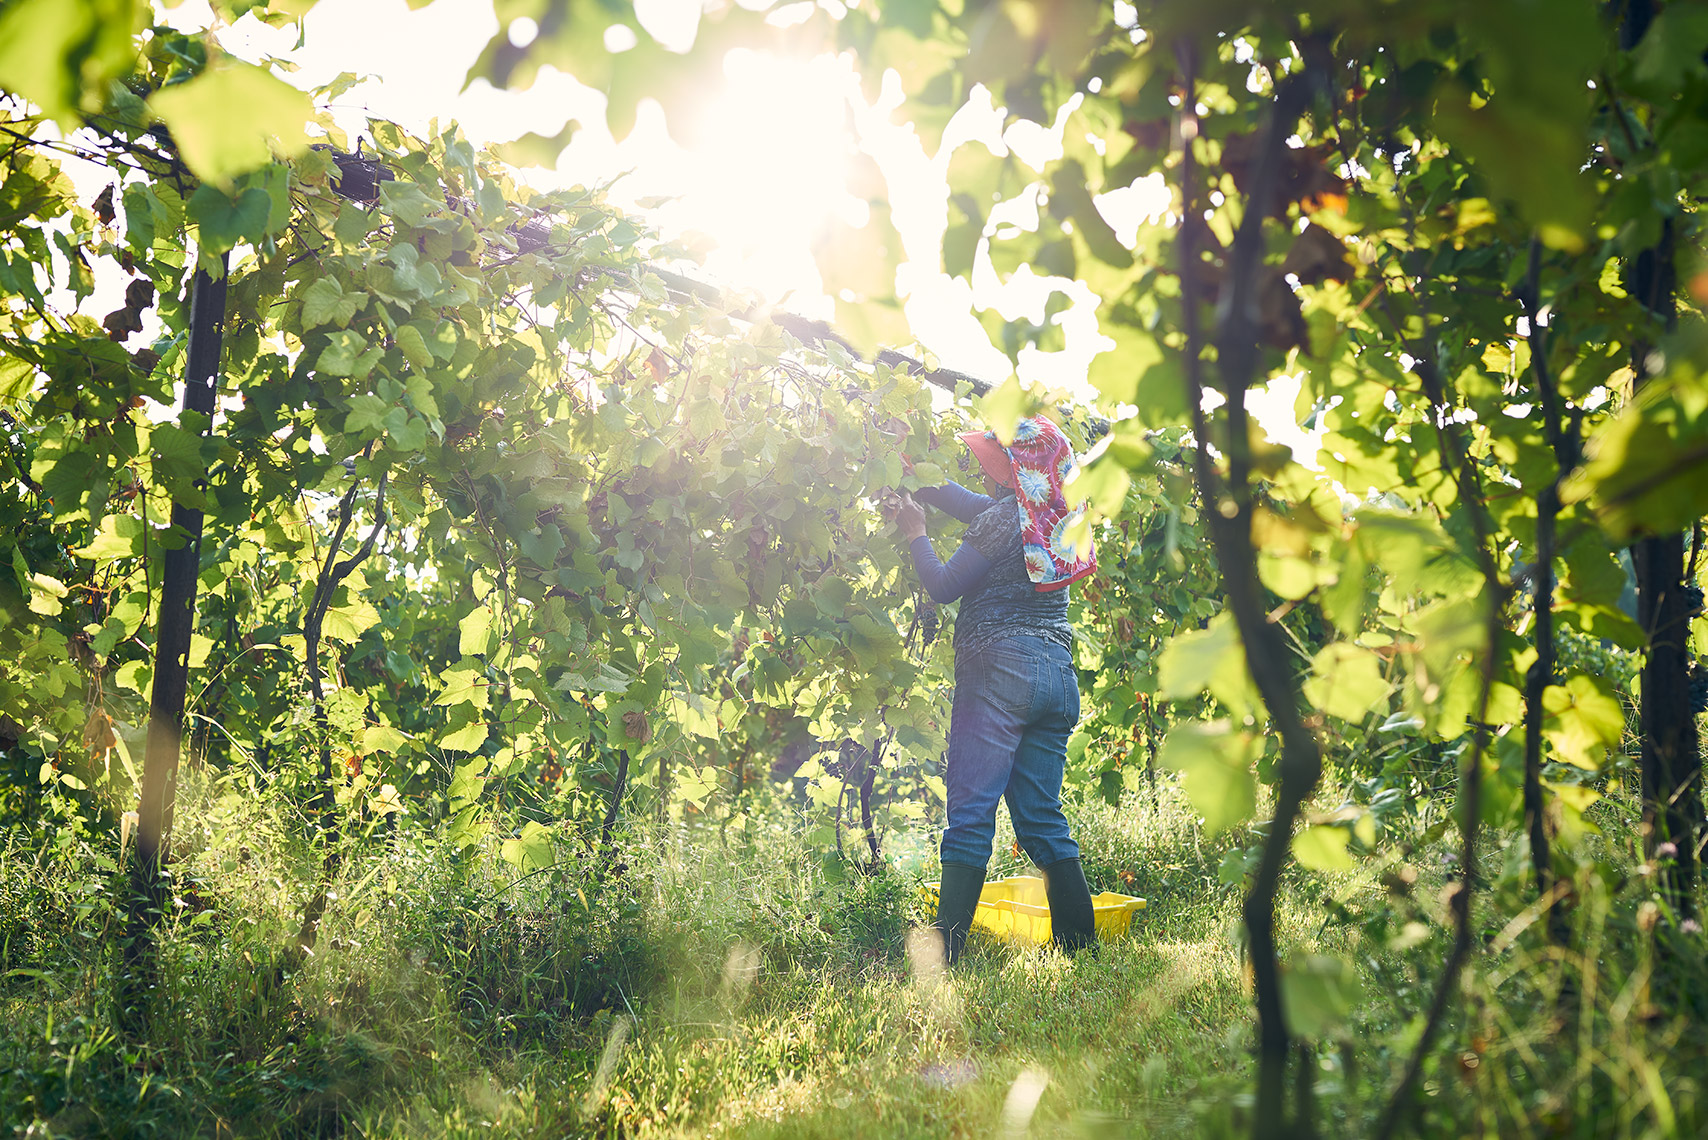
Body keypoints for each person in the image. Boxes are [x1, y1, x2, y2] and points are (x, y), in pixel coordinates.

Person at [891, 415, 1099, 963]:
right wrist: (910, 464)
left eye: (993, 460)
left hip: (998, 670)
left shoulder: (1003, 517)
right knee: (1041, 817)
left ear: (1015, 472)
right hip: (1056, 675)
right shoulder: (1049, 517)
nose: (984, 469)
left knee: (971, 813)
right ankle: (1081, 951)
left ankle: (945, 959)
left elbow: (941, 586)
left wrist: (915, 533)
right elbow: (963, 501)